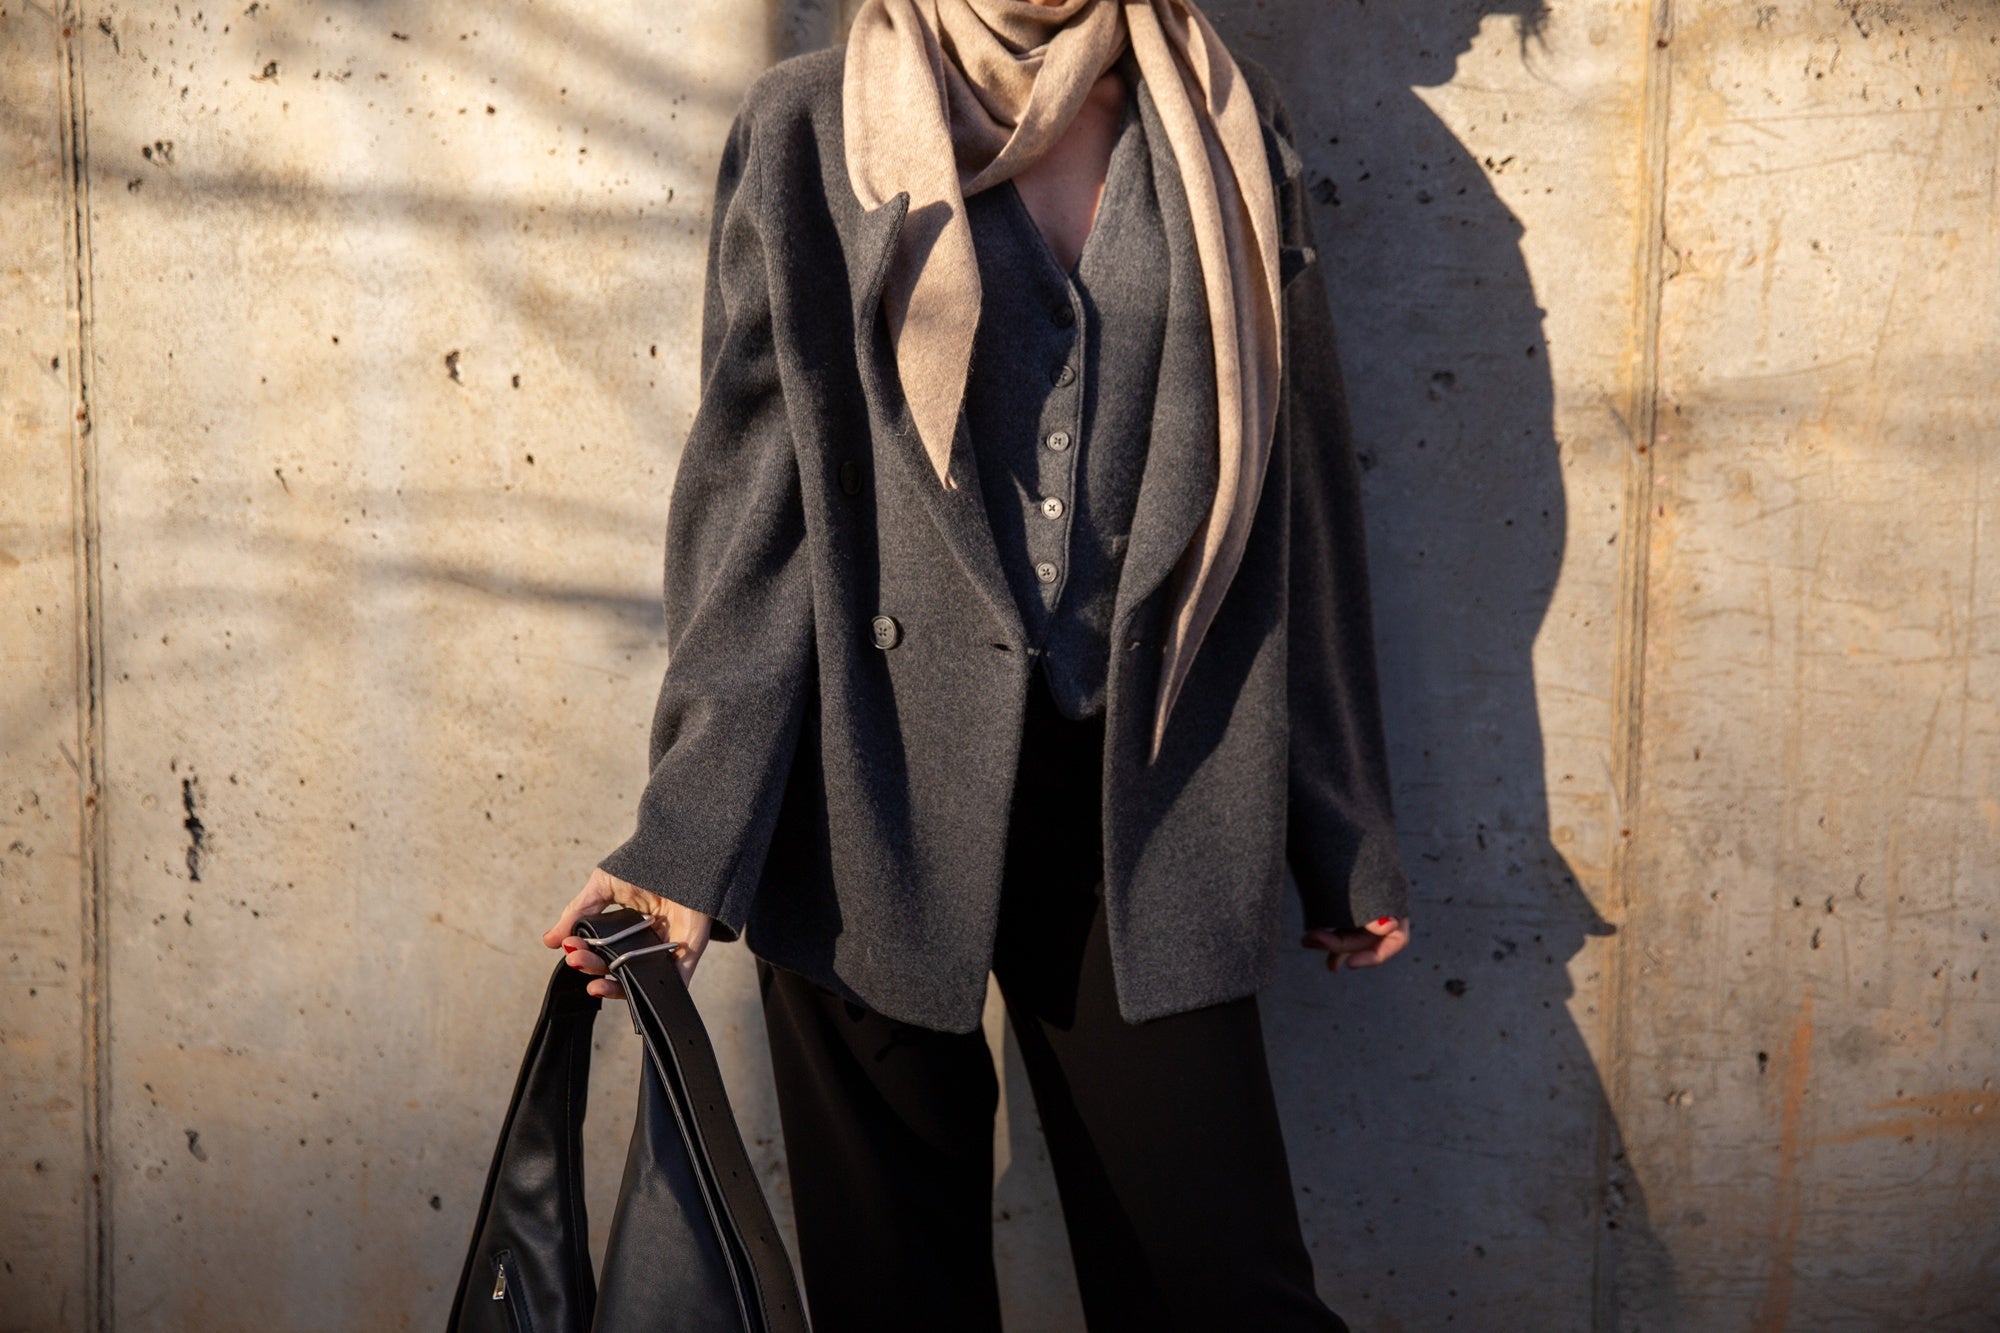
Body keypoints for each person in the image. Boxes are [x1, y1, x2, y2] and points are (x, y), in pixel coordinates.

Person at [543, 1, 1412, 1327]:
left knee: (1223, 1287)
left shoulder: (1228, 129)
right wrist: (688, 833)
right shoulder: (808, 130)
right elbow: (752, 514)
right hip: (869, 803)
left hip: (1151, 799)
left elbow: (1293, 496)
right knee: (896, 1299)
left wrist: (1338, 817)